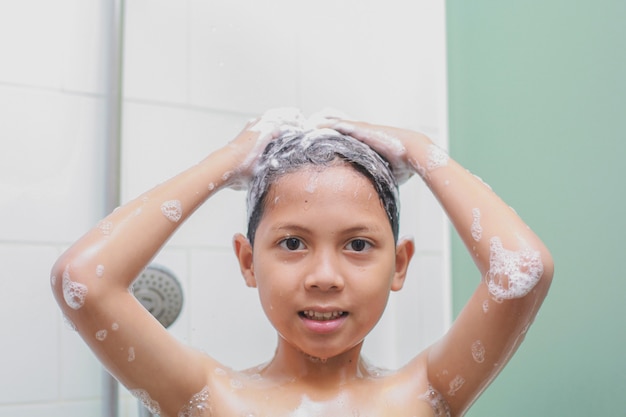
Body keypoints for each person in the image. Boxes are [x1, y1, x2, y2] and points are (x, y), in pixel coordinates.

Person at [50, 108, 554, 417]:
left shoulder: (424, 397)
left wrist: (422, 151)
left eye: (358, 245)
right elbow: (83, 281)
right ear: (248, 262)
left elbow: (523, 269)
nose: (324, 278)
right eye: (293, 244)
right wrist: (229, 160)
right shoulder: (210, 399)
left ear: (400, 265)